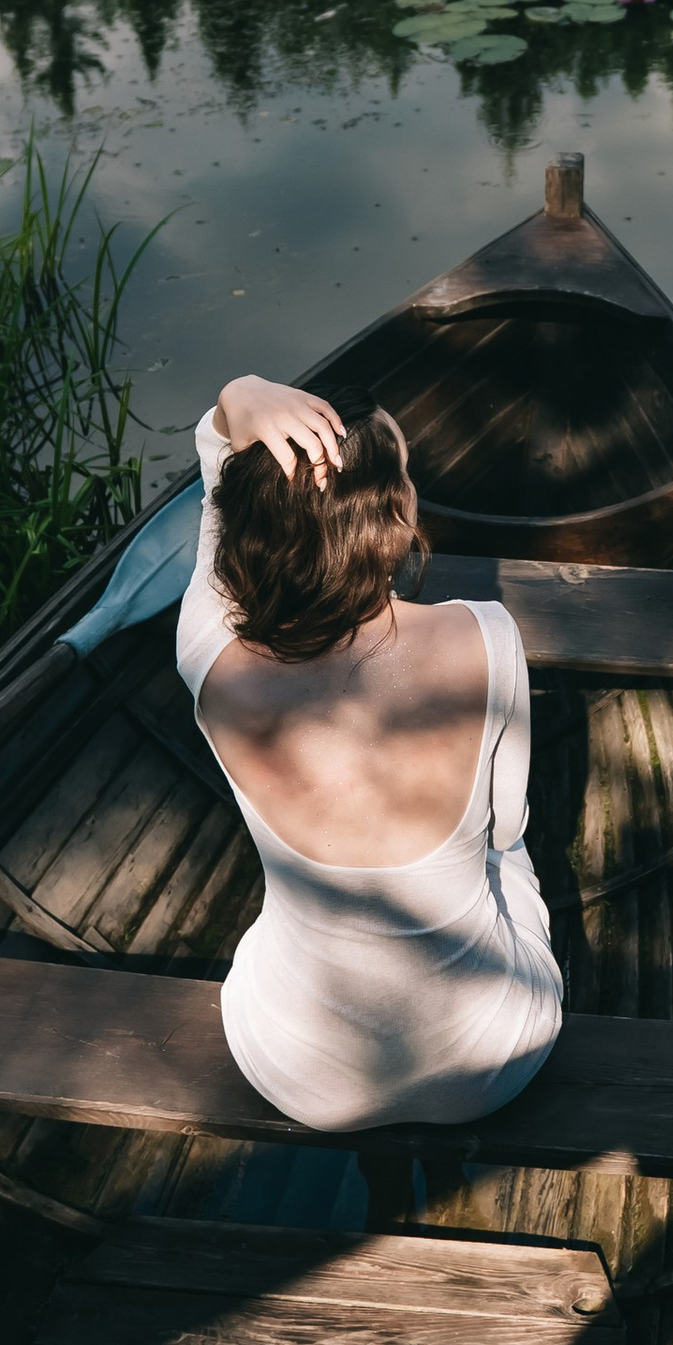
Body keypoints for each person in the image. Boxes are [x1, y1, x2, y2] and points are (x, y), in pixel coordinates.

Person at [174, 372, 563, 1132]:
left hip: (300, 1074)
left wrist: (235, 395)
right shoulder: (487, 634)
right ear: (394, 517)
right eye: (407, 475)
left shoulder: (207, 654)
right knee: (506, 851)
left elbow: (215, 507)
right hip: (489, 1062)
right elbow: (507, 826)